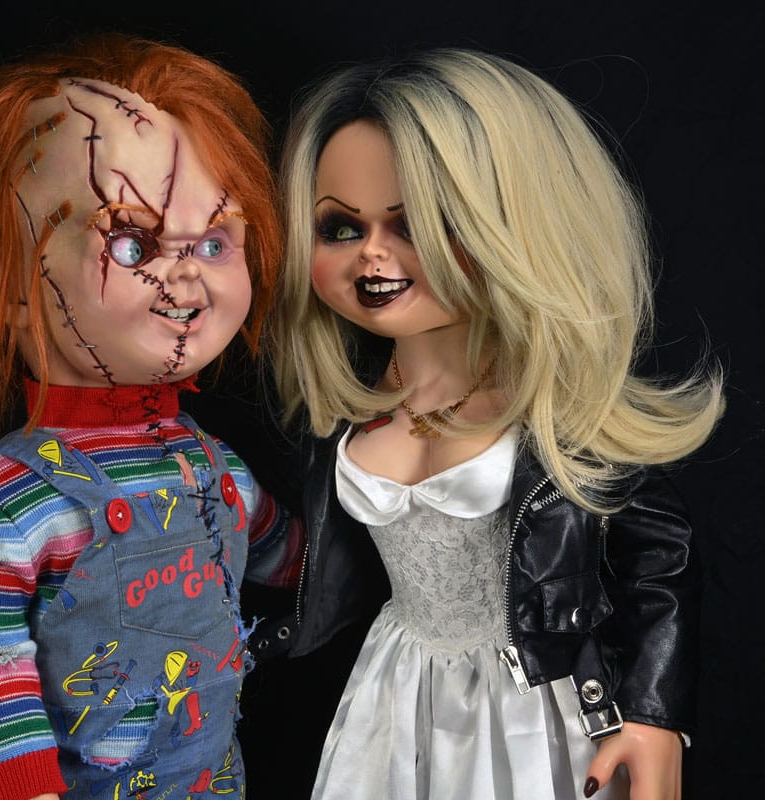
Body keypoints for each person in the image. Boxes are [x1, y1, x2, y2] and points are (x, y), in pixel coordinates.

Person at [260, 49, 724, 800]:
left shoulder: (556, 416)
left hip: (535, 701)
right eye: (341, 227)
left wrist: (653, 714)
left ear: (514, 226)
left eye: (418, 224)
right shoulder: (348, 411)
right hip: (398, 688)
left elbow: (660, 561)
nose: (373, 254)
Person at [0, 34, 303, 800]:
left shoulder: (217, 468)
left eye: (214, 241)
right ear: (9, 287)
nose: (186, 273)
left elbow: (301, 562)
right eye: (131, 245)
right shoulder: (10, 500)